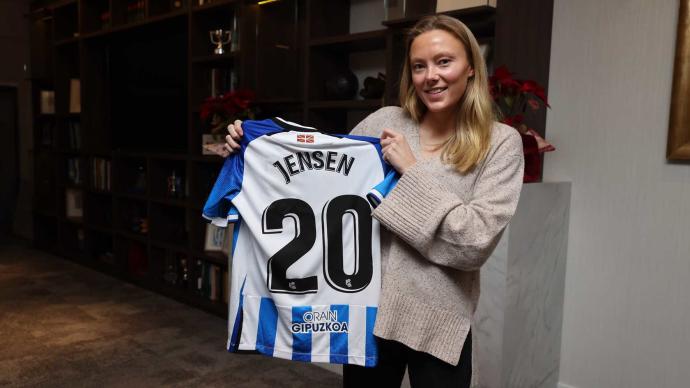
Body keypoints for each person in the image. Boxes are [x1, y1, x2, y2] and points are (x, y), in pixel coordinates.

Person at [221, 15, 524, 388]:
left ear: (471, 68)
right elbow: (320, 181)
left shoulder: (501, 143)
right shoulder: (385, 122)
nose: (431, 76)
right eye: (419, 66)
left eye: (444, 61)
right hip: (366, 316)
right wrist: (254, 147)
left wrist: (410, 171)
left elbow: (473, 243)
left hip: (439, 325)